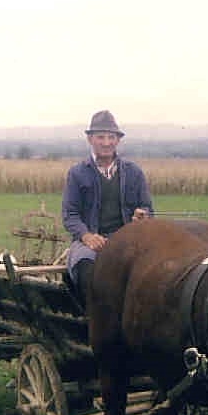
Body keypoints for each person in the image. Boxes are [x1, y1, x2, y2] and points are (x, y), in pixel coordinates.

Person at [61, 109, 152, 306]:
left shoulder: (134, 173)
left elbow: (147, 208)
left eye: (111, 137)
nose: (106, 142)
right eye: (100, 137)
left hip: (129, 241)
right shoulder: (77, 173)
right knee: (86, 269)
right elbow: (70, 215)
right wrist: (87, 236)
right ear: (90, 140)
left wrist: (142, 217)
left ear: (118, 140)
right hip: (91, 243)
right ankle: (93, 322)